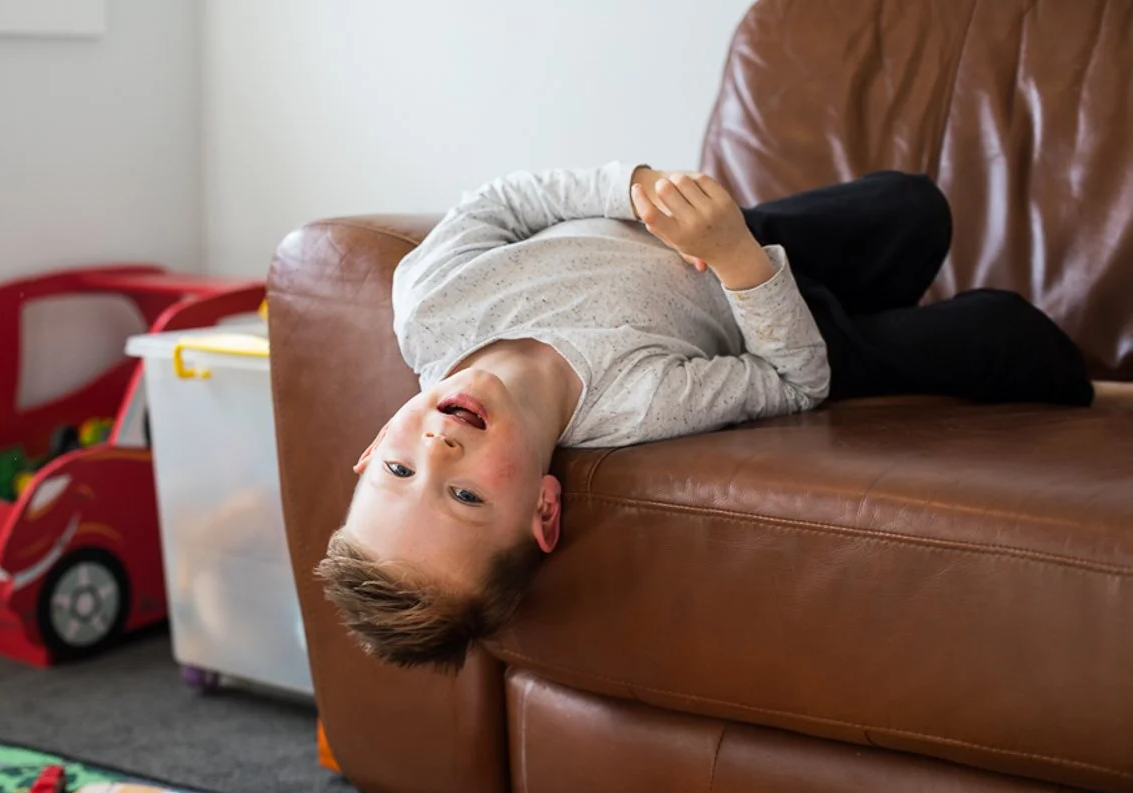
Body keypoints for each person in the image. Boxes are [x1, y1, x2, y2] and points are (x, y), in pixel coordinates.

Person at [315, 162, 1097, 671]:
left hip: (720, 242)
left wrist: (634, 193)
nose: (441, 449)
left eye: (400, 470)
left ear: (368, 447)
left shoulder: (431, 305)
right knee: (1001, 330)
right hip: (761, 300)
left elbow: (499, 201)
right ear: (544, 510)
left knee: (912, 206)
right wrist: (734, 259)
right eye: (465, 497)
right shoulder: (633, 403)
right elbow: (793, 377)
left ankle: (861, 276)